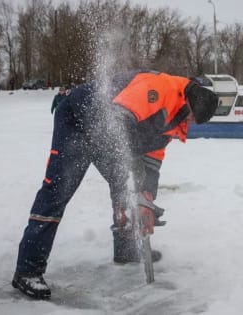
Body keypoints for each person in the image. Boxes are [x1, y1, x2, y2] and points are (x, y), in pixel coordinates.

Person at [11, 70, 219, 299]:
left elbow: (153, 158)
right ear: (188, 101)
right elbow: (117, 126)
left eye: (193, 122)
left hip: (106, 133)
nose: (189, 122)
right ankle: (27, 270)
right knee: (58, 189)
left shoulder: (175, 115)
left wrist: (146, 196)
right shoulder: (158, 90)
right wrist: (134, 182)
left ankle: (126, 249)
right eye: (190, 117)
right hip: (77, 121)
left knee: (126, 184)